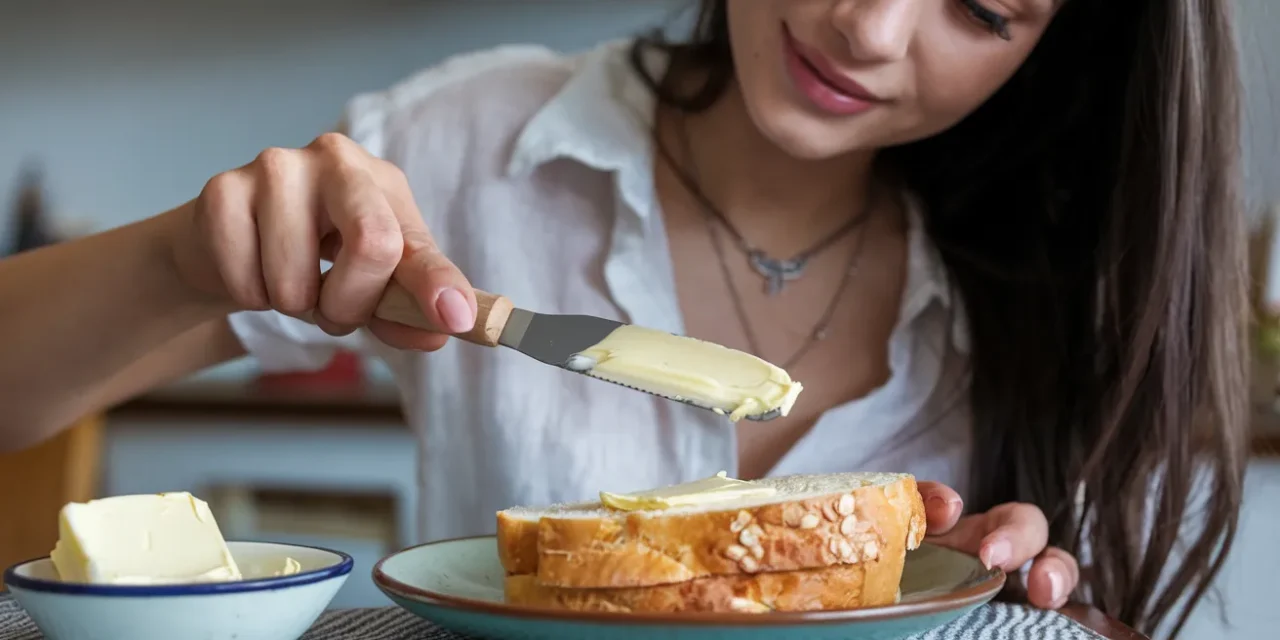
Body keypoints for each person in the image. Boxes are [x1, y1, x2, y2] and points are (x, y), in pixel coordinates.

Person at [0, 0, 1247, 635]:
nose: (866, 27)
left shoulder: (1052, 295)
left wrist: (989, 606)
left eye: (982, 7)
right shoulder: (469, 146)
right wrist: (181, 256)